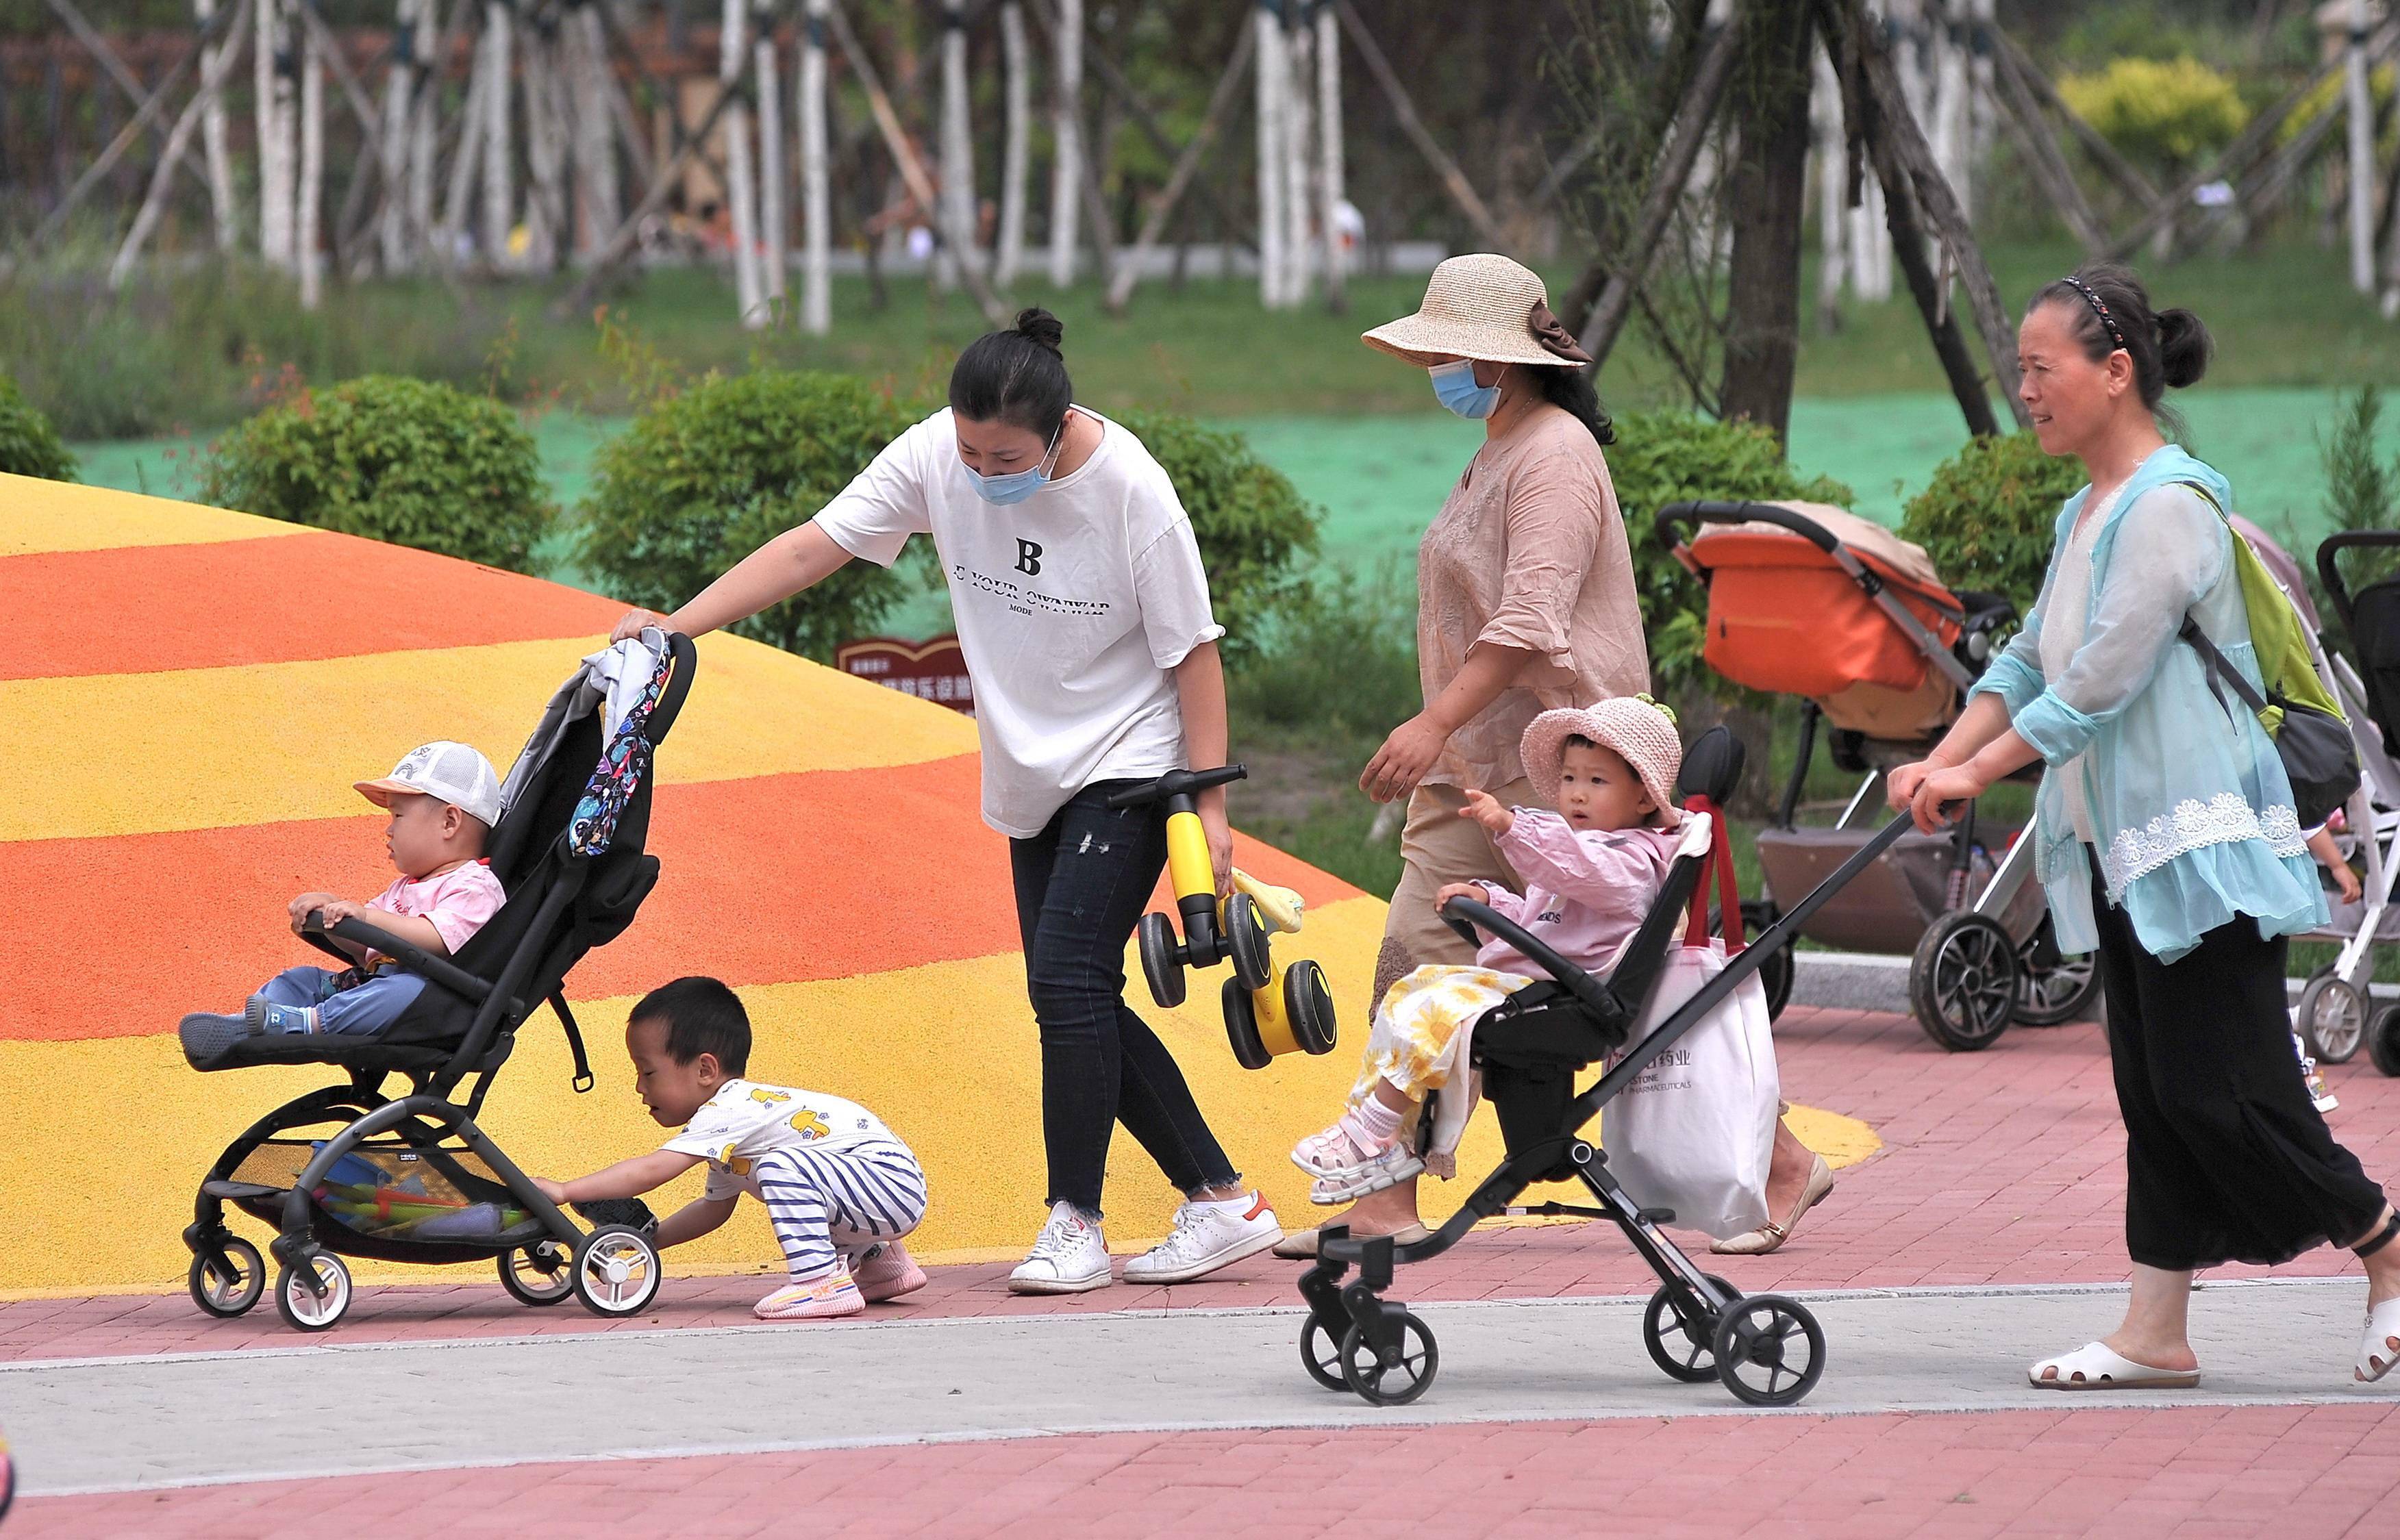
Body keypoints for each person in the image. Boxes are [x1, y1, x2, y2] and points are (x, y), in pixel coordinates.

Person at [606, 308, 1281, 1294]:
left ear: (1059, 429)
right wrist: (678, 627)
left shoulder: (1132, 489)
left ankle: (1075, 1220)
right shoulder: (934, 454)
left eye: (1006, 457)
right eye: (970, 451)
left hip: (1133, 757)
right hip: (1030, 767)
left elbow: (1195, 653)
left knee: (1067, 985)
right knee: (1074, 994)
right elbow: (811, 548)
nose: (982, 472)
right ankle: (1221, 1200)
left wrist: (1208, 808)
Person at [1888, 262, 2400, 1388]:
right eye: (2019, 368)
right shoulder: (2085, 511)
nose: (2024, 389)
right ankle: (2155, 1331)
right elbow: (2028, 661)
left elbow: (2096, 687)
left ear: (2114, 370)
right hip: (2126, 845)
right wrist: (1940, 755)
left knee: (2231, 1087)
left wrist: (1969, 769)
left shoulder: (2169, 505)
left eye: (2041, 367)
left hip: (2198, 842)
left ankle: (2384, 1247)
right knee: (2156, 1092)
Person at [1279, 253, 1832, 1259]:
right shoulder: (1502, 444)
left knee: (1605, 983)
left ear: (1498, 361)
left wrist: (1431, 723)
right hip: (1478, 766)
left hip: (1567, 769)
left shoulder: (1554, 455)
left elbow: (1530, 620)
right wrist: (1446, 738)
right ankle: (1384, 1195)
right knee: (1422, 956)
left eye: (1449, 353)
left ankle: (1778, 1159)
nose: (1438, 370)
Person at [1292, 698, 1684, 1202]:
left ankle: (1371, 1131)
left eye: (1597, 781)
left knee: (1436, 1011)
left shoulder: (1628, 863)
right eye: (1569, 778)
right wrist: (1490, 902)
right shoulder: (1588, 851)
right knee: (1412, 990)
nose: (1577, 793)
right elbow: (1541, 922)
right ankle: (1382, 1130)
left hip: (1565, 999)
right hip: (1541, 985)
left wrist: (1513, 827)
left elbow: (1575, 866)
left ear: (1645, 798)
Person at [534, 977, 929, 1321]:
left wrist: (566, 1191)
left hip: (889, 1181)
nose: (640, 1087)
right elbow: (713, 1210)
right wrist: (647, 1246)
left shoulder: (729, 1108)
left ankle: (821, 1282)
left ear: (705, 1070)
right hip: (879, 1188)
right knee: (797, 1177)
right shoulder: (732, 1131)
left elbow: (653, 1170)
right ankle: (885, 1264)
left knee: (781, 1167)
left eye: (648, 1072)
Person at [177, 741, 507, 1057]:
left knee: (400, 992)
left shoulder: (476, 886)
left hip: (426, 1007)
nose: (389, 830)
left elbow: (438, 938)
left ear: (449, 822)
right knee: (301, 978)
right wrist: (333, 917)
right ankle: (250, 1024)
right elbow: (364, 947)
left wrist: (367, 918)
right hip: (367, 985)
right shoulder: (407, 886)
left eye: (398, 816)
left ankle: (302, 1023)